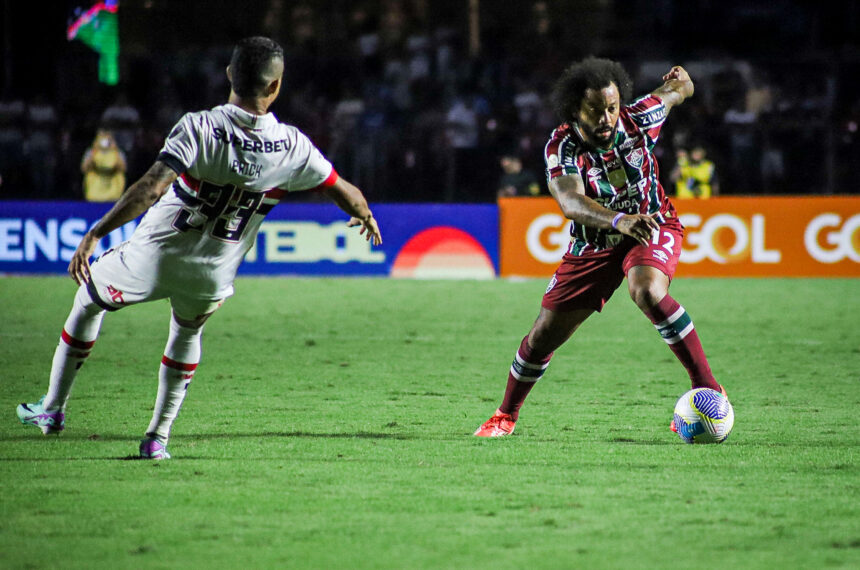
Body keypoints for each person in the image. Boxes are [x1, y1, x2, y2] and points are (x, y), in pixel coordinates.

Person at [16, 37, 382, 459]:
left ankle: (53, 409)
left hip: (154, 255)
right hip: (213, 271)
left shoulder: (200, 127)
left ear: (229, 74)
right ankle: (157, 438)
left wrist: (96, 232)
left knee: (87, 301)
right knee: (187, 333)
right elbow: (344, 191)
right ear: (276, 86)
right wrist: (365, 214)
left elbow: (150, 189)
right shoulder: (292, 146)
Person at [474, 57, 726, 437]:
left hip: (651, 224)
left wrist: (683, 79)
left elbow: (678, 91)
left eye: (612, 107)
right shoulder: (562, 147)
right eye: (595, 110)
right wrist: (617, 219)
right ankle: (505, 414)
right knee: (543, 335)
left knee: (647, 291)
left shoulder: (640, 118)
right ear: (575, 109)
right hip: (594, 243)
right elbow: (570, 202)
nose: (606, 117)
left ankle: (707, 388)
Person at [81, 129, 127, 202]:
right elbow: (84, 169)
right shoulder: (91, 151)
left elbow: (123, 168)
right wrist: (94, 150)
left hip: (113, 188)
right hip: (95, 187)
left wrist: (115, 149)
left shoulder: (118, 152)